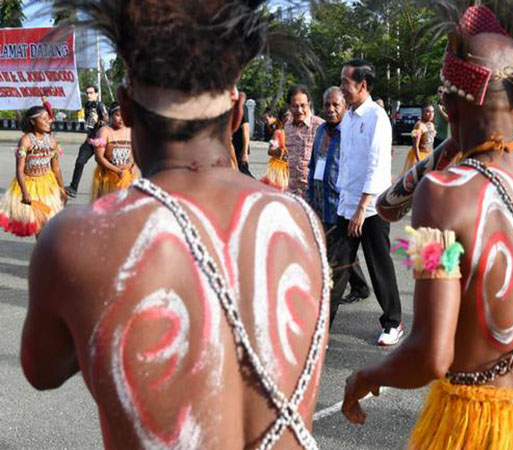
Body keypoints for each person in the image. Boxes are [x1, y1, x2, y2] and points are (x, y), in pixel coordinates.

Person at [20, 1, 329, 448]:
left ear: (125, 104)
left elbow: (43, 370)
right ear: (238, 112)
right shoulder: (303, 223)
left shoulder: (75, 241)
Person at [342, 5, 513, 448]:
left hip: (479, 426)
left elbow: (431, 355)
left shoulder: (441, 193)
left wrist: (366, 376)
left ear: (447, 103)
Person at [331, 59, 403, 346]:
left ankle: (393, 322)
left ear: (362, 85)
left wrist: (362, 207)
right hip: (347, 204)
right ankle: (323, 325)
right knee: (336, 265)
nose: (341, 88)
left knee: (378, 265)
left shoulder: (377, 118)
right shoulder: (348, 117)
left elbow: (376, 166)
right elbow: (347, 163)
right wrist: (345, 201)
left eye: (345, 83)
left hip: (371, 208)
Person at [307, 87, 371, 306]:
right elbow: (313, 163)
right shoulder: (320, 130)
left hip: (341, 203)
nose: (331, 109)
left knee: (333, 253)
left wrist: (359, 205)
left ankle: (323, 301)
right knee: (338, 250)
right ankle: (361, 286)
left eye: (336, 105)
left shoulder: (351, 132)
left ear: (345, 106)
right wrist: (309, 195)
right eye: (327, 104)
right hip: (320, 200)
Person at [0, 107, 66, 237]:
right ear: (33, 121)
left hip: (48, 186)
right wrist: (25, 193)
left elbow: (56, 168)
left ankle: (45, 252)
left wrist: (62, 189)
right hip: (30, 187)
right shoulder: (26, 141)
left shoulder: (52, 141)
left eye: (49, 119)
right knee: (40, 226)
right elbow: (19, 170)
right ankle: (43, 253)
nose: (48, 122)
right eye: (44, 119)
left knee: (50, 225)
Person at [89, 102, 138, 201]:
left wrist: (134, 166)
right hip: (109, 178)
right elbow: (99, 158)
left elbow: (137, 153)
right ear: (110, 115)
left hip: (127, 177)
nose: (121, 119)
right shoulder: (104, 132)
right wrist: (117, 171)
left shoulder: (131, 131)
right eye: (118, 115)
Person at [283, 84, 324, 198]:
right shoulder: (287, 126)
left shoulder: (320, 126)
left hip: (313, 192)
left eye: (303, 105)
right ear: (289, 107)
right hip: (290, 191)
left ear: (309, 104)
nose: (299, 110)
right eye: (295, 106)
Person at [66, 85, 107, 198]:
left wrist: (98, 120)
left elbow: (107, 121)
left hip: (101, 140)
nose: (89, 95)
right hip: (90, 139)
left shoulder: (100, 106)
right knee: (80, 161)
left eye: (91, 93)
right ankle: (73, 188)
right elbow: (89, 124)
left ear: (96, 94)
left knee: (105, 166)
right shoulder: (87, 106)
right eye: (87, 93)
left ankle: (108, 189)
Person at [261, 108, 291, 191]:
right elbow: (270, 151)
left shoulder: (301, 133)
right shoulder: (278, 133)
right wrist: (278, 151)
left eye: (290, 115)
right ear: (281, 119)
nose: (288, 118)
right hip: (279, 171)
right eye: (285, 116)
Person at [401, 105, 436, 175]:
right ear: (423, 113)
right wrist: (419, 161)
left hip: (429, 154)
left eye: (432, 112)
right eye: (428, 112)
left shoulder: (432, 124)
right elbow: (415, 146)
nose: (431, 114)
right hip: (419, 155)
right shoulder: (419, 125)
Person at [231, 91, 253, 177]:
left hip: (239, 148)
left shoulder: (240, 108)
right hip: (228, 147)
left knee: (244, 174)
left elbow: (246, 129)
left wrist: (244, 152)